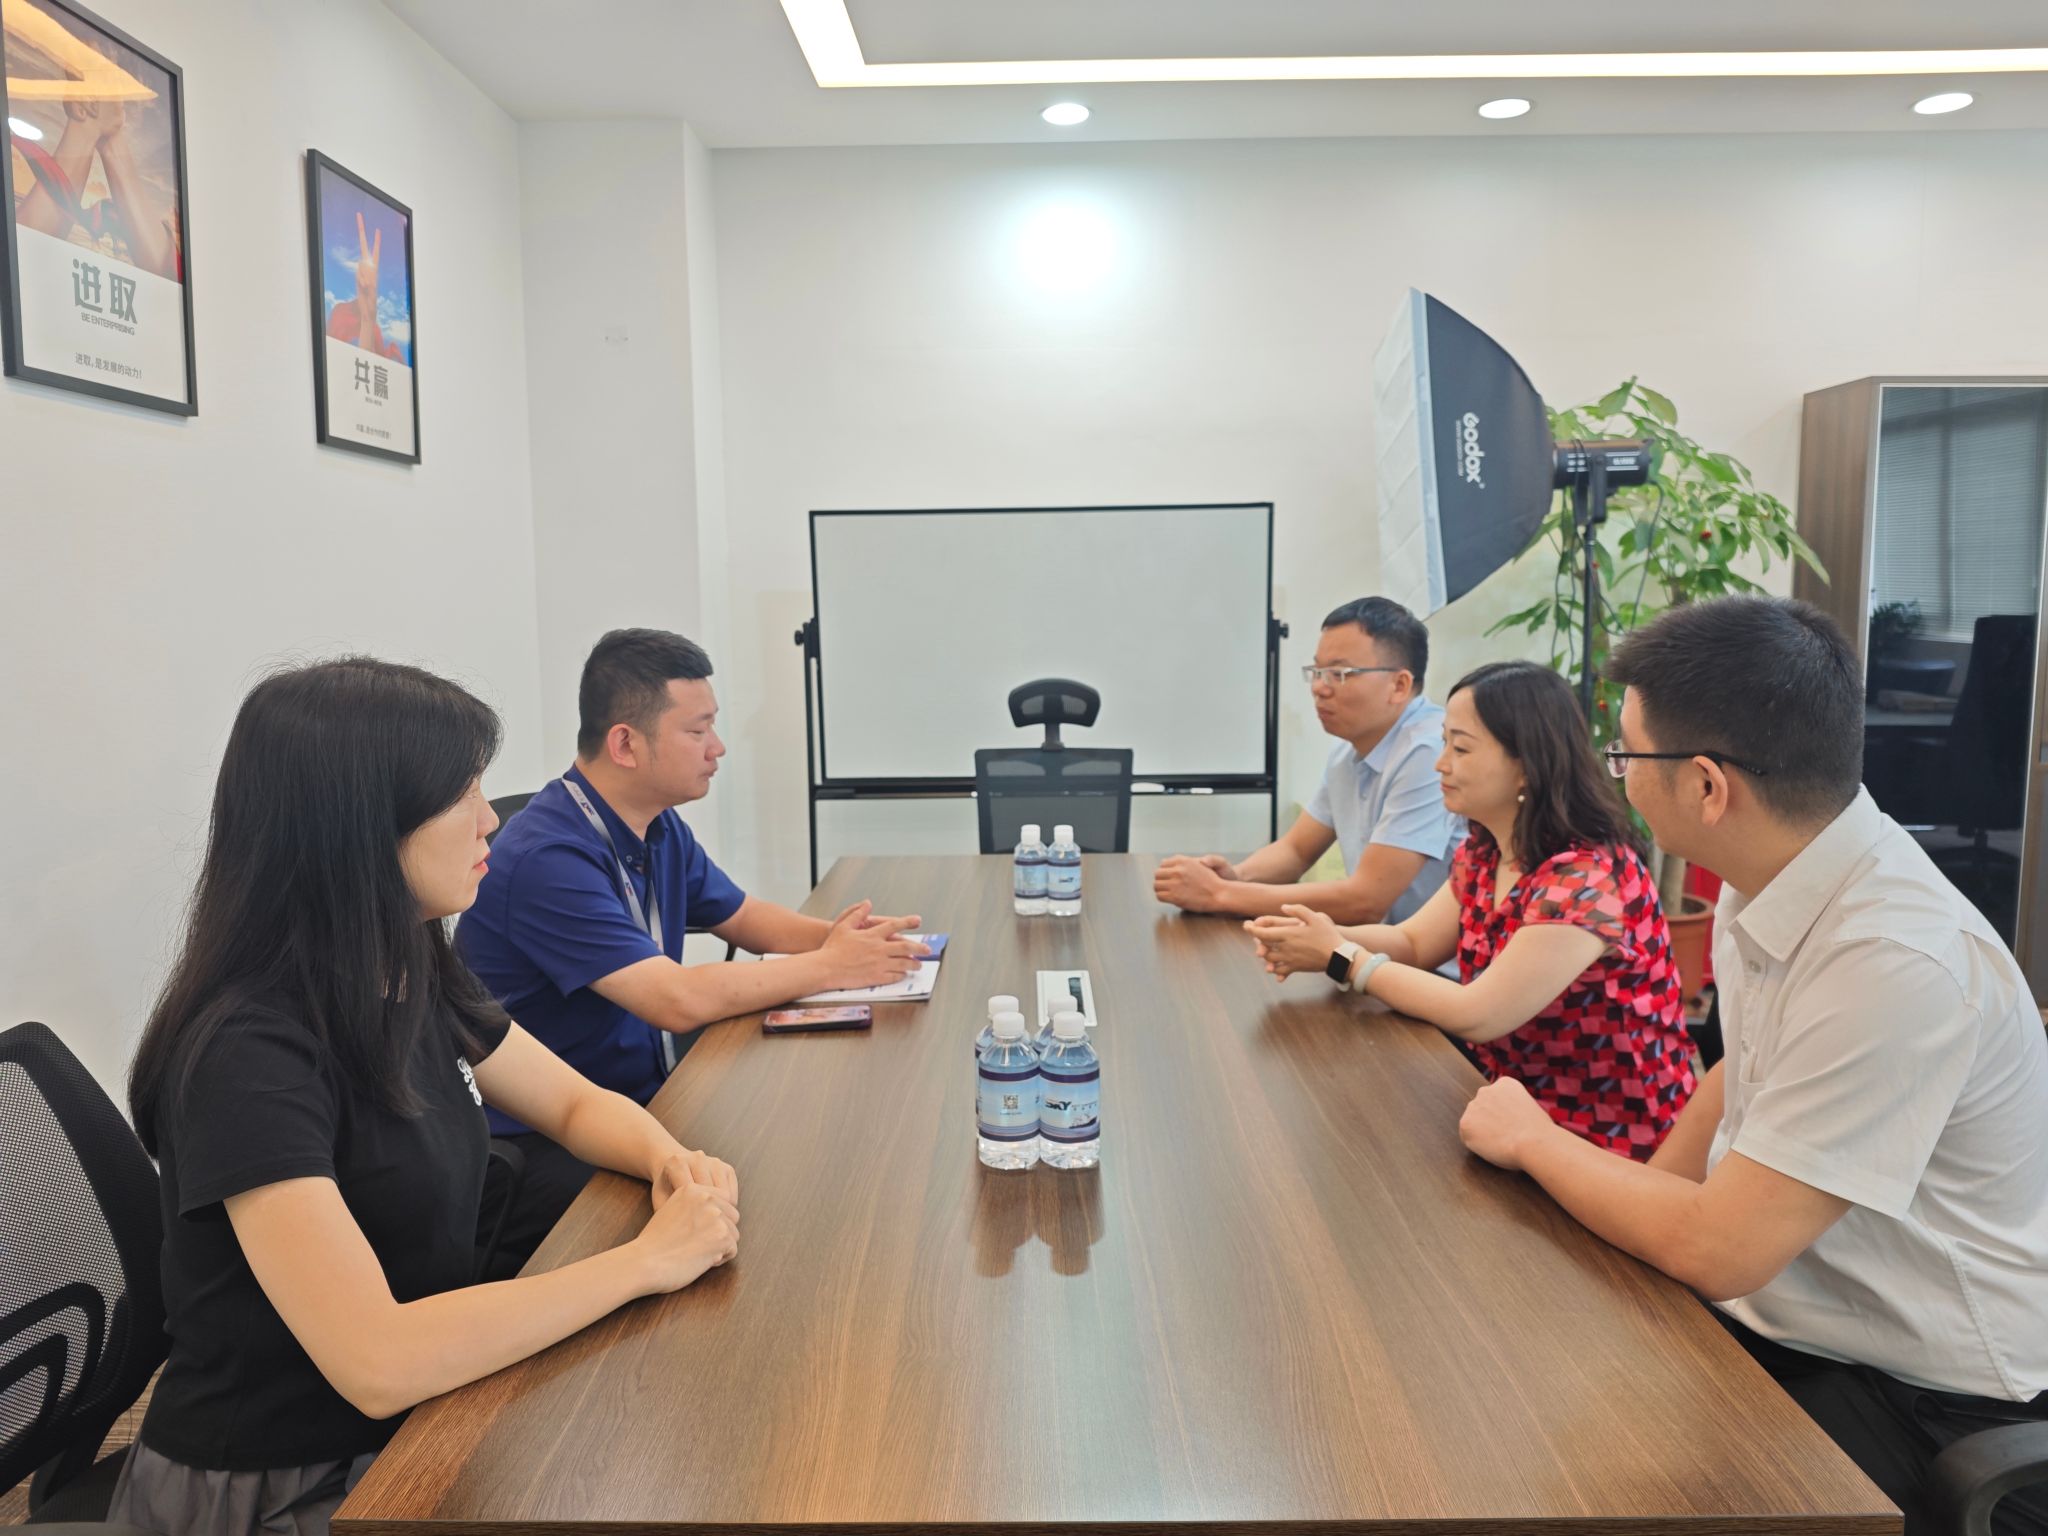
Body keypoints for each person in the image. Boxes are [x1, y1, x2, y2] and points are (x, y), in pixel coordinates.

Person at [1458, 597, 2048, 1536]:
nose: (1617, 775)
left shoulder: (1895, 958)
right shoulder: (1778, 874)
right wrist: (1645, 1201)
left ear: (1706, 785)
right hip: (1796, 1312)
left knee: (1556, 1476)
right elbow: (1741, 1070)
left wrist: (1535, 1140)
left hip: (1923, 1394)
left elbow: (1721, 1250)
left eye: (1627, 754)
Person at [112, 659, 740, 1536]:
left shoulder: (405, 963)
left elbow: (570, 1105)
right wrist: (645, 1262)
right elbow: (379, 1360)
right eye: (463, 795)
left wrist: (673, 1164)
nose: (492, 820)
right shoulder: (249, 1055)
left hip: (419, 1419)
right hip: (283, 1484)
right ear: (361, 827)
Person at [456, 627, 926, 1270]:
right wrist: (831, 965)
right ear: (625, 743)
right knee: (774, 1215)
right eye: (698, 730)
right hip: (552, 1136)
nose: (718, 747)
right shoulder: (547, 856)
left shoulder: (655, 825)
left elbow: (742, 916)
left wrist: (853, 943)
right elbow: (673, 1001)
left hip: (646, 1095)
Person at [1247, 659, 1696, 1161]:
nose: (1440, 764)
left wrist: (1340, 957)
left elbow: (1479, 1014)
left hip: (1610, 1140)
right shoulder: (1485, 850)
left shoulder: (1588, 878)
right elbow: (1414, 942)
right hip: (1508, 1114)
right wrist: (1315, 934)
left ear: (1525, 763)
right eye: (1444, 743)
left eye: (1460, 748)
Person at [1154, 596, 1461, 924]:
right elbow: (1296, 851)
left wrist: (1219, 894)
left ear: (1399, 685)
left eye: (1339, 673)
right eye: (1317, 671)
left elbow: (1367, 899)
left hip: (1437, 956)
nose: (1318, 688)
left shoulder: (1430, 750)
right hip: (1380, 945)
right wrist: (1235, 877)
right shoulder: (1347, 750)